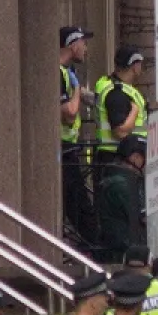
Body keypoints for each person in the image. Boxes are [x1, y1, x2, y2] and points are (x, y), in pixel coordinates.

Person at [60, 26, 97, 243]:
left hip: (68, 148)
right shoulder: (59, 73)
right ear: (73, 45)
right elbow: (69, 114)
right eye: (83, 43)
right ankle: (96, 255)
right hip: (61, 149)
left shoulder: (67, 72)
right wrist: (76, 91)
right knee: (79, 208)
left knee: (79, 206)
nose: (86, 48)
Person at [94, 46, 148, 169]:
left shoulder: (123, 89)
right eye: (139, 63)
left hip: (124, 157)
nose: (141, 67)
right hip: (117, 159)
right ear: (134, 66)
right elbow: (120, 131)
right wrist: (135, 111)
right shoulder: (117, 93)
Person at [97, 135, 146, 263]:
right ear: (135, 158)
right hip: (124, 253)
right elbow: (137, 218)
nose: (145, 162)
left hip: (119, 248)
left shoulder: (116, 180)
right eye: (143, 158)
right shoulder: (123, 185)